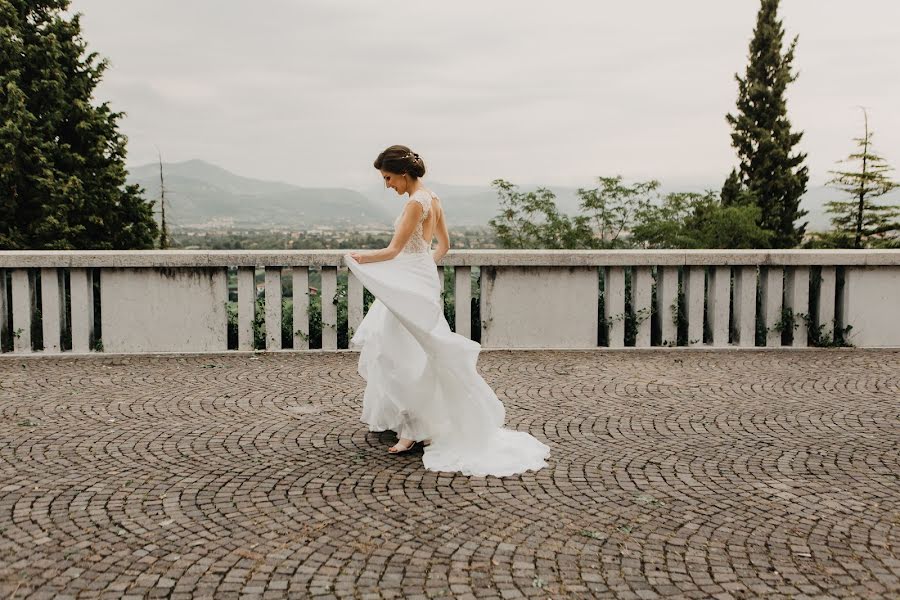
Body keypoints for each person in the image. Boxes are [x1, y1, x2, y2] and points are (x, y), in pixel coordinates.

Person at [344, 145, 550, 477]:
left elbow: (394, 249)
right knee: (414, 349)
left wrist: (358, 258)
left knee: (400, 353)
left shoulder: (415, 203)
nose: (387, 185)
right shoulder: (433, 199)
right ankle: (416, 420)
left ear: (403, 173)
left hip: (412, 281)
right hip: (421, 280)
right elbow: (444, 246)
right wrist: (421, 268)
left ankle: (412, 428)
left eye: (387, 178)